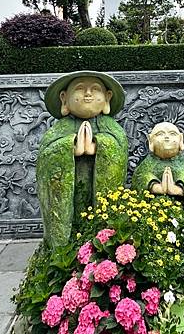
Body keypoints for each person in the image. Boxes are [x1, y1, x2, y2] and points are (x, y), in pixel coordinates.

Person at [36, 71, 128, 248]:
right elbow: (45, 157)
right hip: (70, 196)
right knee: (71, 227)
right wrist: (69, 148)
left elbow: (120, 150)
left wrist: (100, 146)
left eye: (95, 89)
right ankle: (63, 248)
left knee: (100, 221)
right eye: (80, 89)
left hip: (96, 194)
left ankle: (102, 246)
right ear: (64, 98)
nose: (88, 94)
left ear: (107, 97)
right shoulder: (59, 129)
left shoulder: (112, 128)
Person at [131, 121, 184, 205]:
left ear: (181, 139)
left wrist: (177, 190)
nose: (167, 137)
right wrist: (155, 188)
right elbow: (139, 182)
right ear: (150, 140)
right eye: (160, 134)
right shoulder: (146, 166)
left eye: (172, 134)